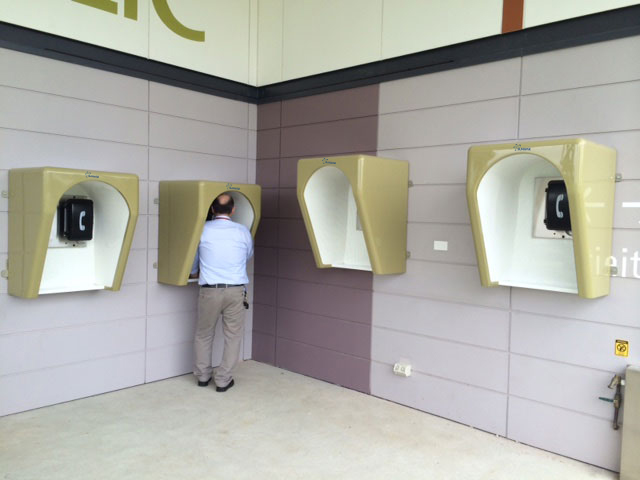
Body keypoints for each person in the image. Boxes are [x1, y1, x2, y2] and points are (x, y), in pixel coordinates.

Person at [190, 193, 253, 392]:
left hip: (209, 291)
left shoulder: (201, 229)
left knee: (204, 334)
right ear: (233, 210)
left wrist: (194, 272)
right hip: (235, 290)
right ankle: (223, 380)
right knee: (233, 336)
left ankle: (203, 376)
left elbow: (193, 259)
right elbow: (247, 255)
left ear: (212, 209)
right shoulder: (242, 231)